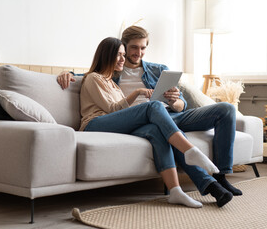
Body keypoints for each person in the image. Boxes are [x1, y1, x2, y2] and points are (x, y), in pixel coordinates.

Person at [57, 26, 241, 207]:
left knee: (224, 109)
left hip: (166, 115)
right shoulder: (111, 75)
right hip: (130, 118)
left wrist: (173, 101)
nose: (138, 52)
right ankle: (190, 151)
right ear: (123, 47)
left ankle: (190, 189)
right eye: (132, 48)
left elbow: (181, 106)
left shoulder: (156, 70)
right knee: (152, 108)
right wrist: (68, 73)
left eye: (143, 48)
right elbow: (93, 76)